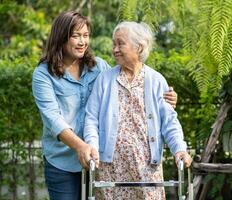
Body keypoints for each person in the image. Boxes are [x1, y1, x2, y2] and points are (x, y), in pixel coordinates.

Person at [32, 11, 178, 200]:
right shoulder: (43, 75)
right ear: (61, 37)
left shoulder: (98, 67)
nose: (82, 42)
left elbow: (126, 88)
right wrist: (81, 146)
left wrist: (167, 98)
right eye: (76, 36)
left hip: (99, 160)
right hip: (63, 162)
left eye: (85, 36)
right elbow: (53, 120)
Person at [84, 21, 192, 200]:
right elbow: (91, 119)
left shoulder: (157, 81)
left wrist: (179, 149)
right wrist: (93, 148)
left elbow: (169, 121)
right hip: (111, 168)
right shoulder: (104, 80)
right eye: (114, 44)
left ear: (139, 47)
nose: (115, 49)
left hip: (147, 168)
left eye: (120, 43)